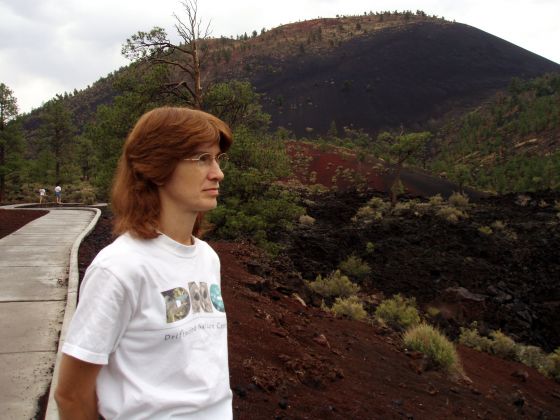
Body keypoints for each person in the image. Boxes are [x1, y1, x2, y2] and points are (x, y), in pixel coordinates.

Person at [54, 107, 233, 419]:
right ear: (157, 166)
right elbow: (71, 394)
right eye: (202, 158)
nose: (217, 172)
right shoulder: (120, 268)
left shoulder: (207, 258)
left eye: (217, 158)